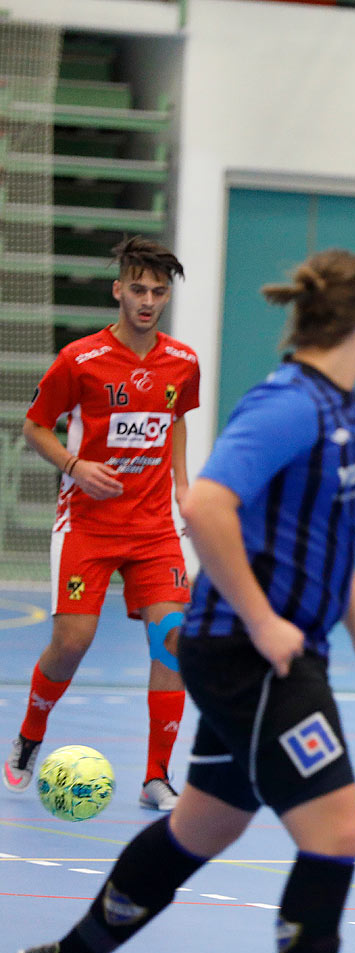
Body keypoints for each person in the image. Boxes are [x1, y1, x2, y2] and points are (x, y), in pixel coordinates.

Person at [13, 249, 355, 953]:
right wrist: (261, 622)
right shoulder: (290, 401)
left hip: (283, 652)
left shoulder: (347, 412)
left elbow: (329, 539)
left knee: (202, 830)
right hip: (254, 659)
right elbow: (205, 504)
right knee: (338, 836)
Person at [4, 236, 199, 811]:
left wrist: (181, 483)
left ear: (166, 297)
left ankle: (157, 777)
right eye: (137, 289)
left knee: (172, 642)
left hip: (152, 526)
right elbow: (36, 425)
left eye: (158, 292)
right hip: (86, 524)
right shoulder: (79, 360)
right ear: (119, 290)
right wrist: (74, 464)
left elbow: (178, 417)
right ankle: (28, 737)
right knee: (72, 642)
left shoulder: (182, 361)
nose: (146, 300)